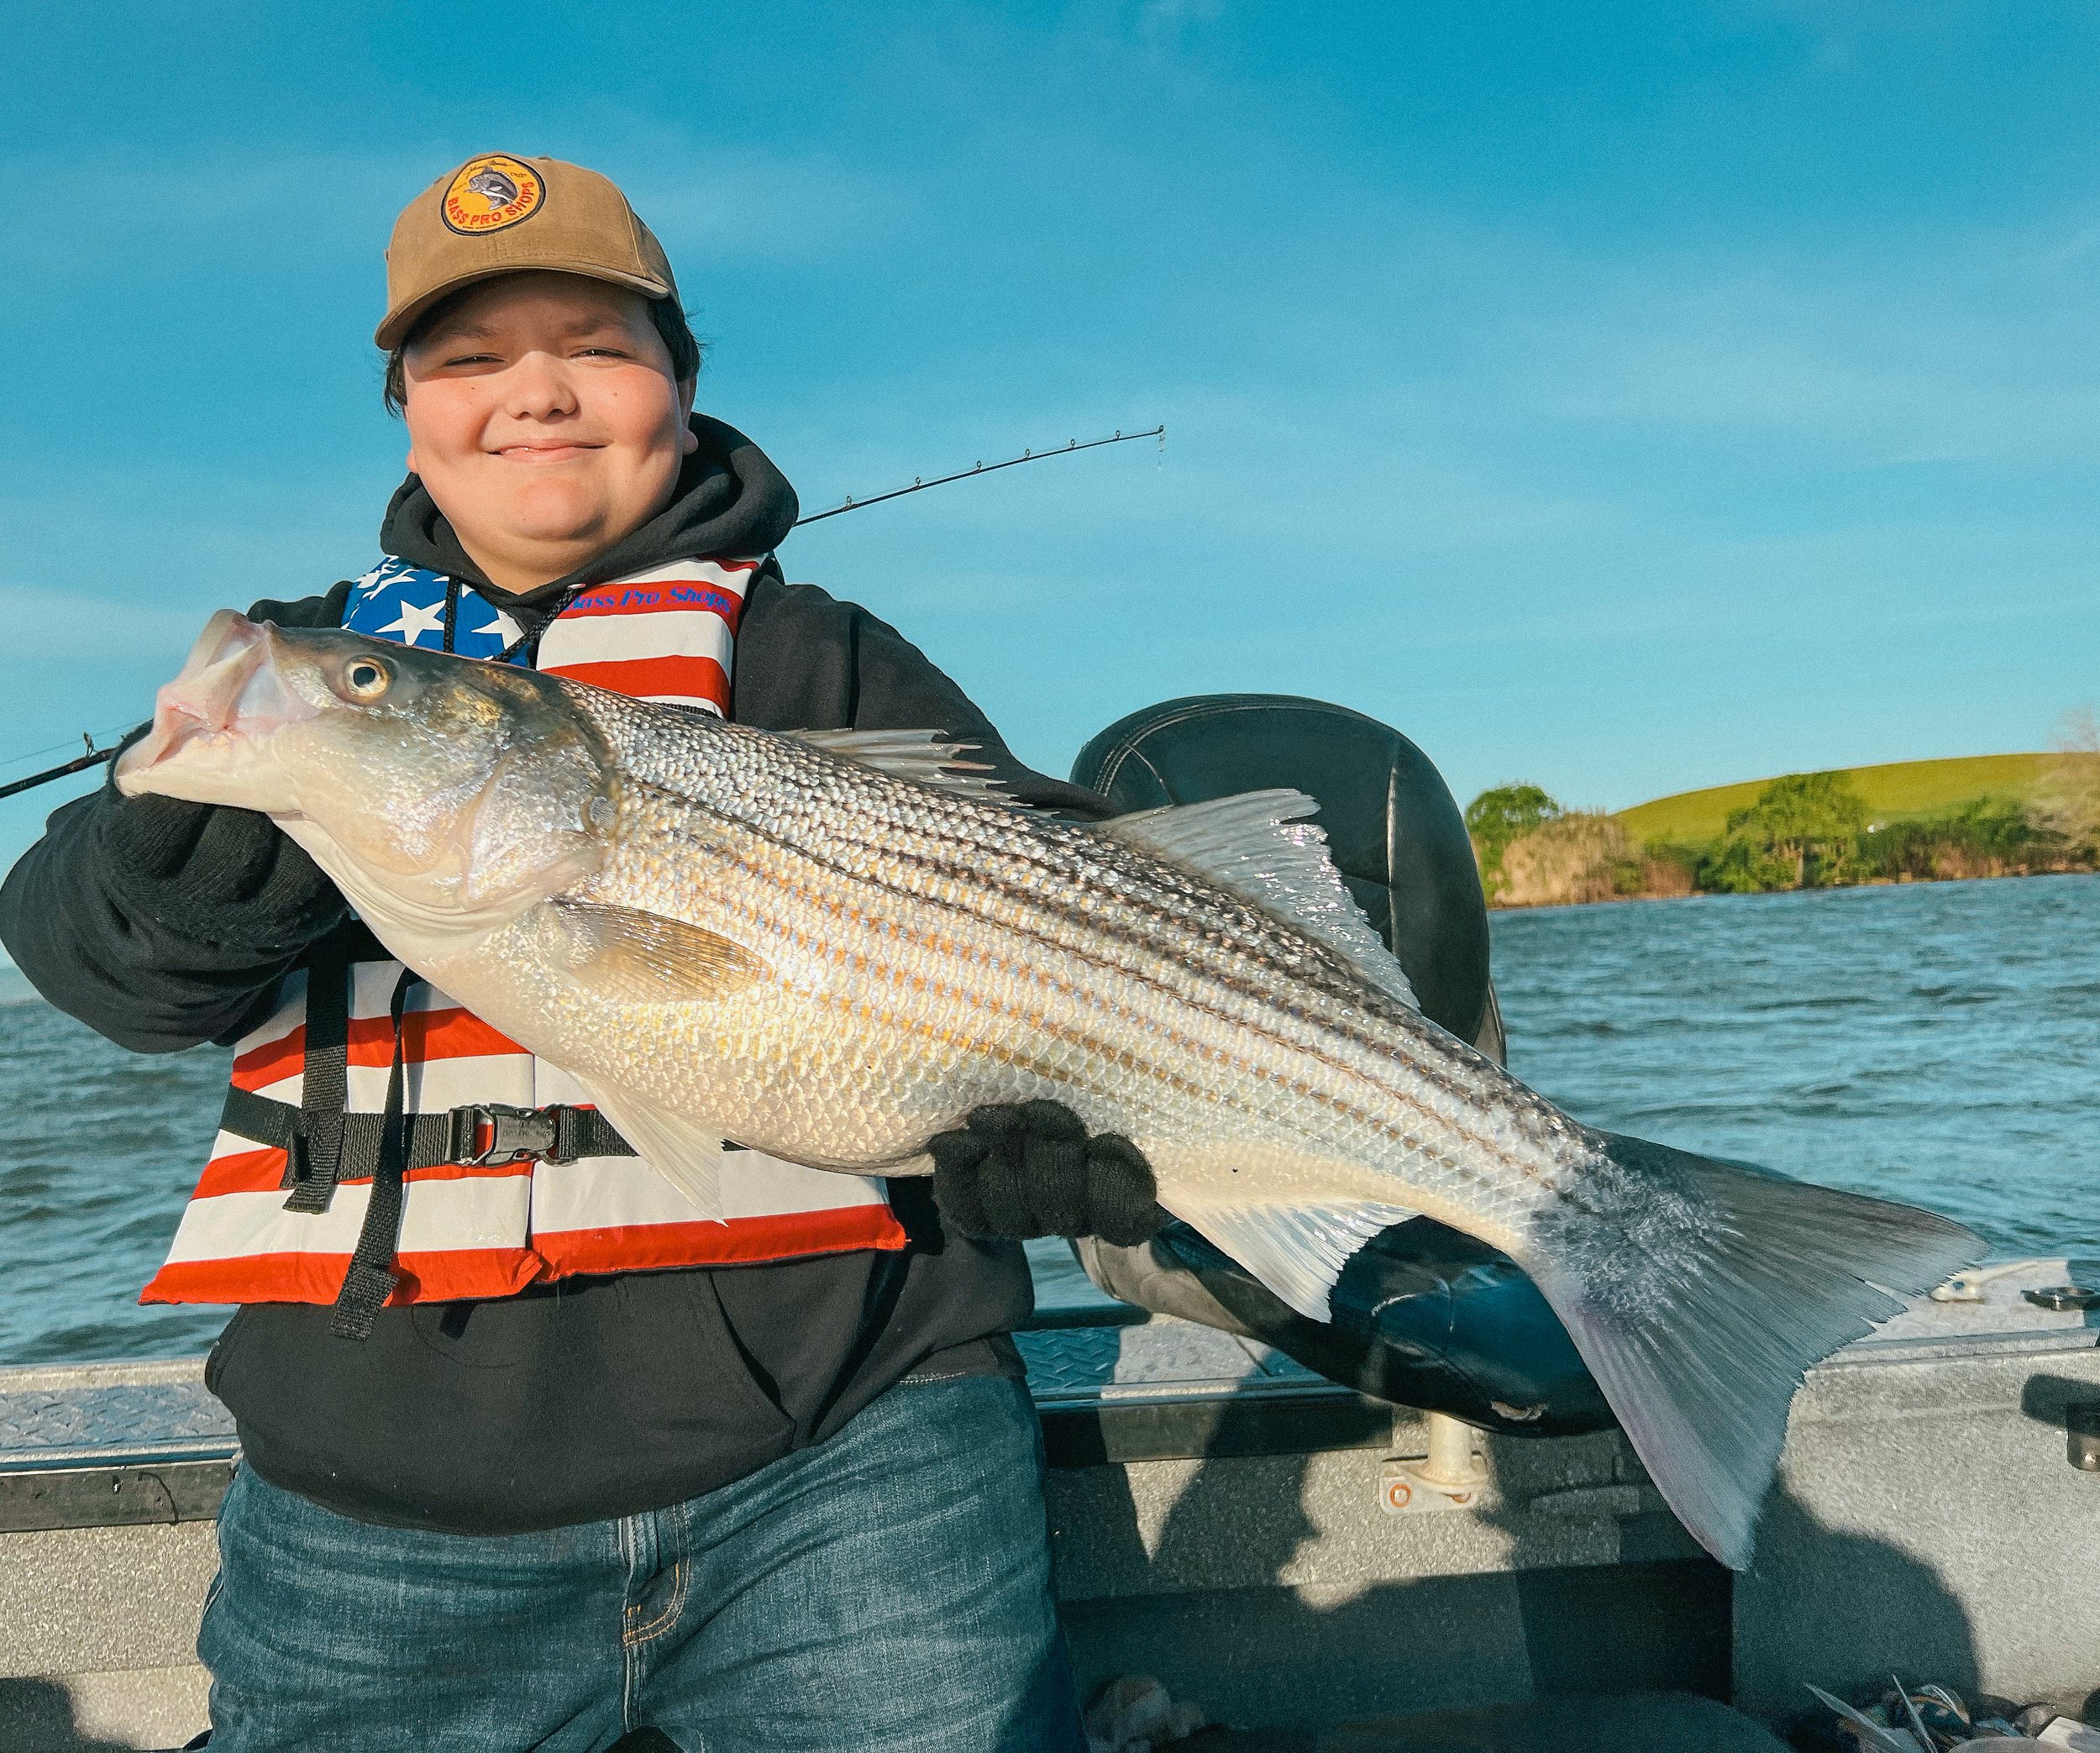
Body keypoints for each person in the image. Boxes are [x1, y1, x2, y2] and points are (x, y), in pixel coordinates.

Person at [0, 152, 1165, 1753]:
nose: (533, 395)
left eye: (597, 348)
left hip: (859, 1457)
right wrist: (172, 873)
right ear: (406, 407)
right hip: (372, 1504)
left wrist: (1062, 1130)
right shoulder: (304, 657)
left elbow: (1068, 913)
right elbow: (97, 965)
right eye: (468, 359)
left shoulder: (823, 653)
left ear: (682, 386)